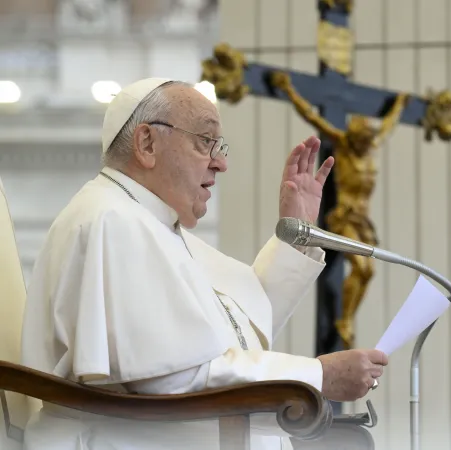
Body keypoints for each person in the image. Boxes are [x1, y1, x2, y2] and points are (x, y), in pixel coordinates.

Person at [19, 77, 388, 450]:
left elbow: (238, 329)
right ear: (147, 143)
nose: (222, 163)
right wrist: (317, 376)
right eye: (205, 141)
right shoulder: (112, 222)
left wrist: (296, 235)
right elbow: (174, 377)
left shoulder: (151, 225)